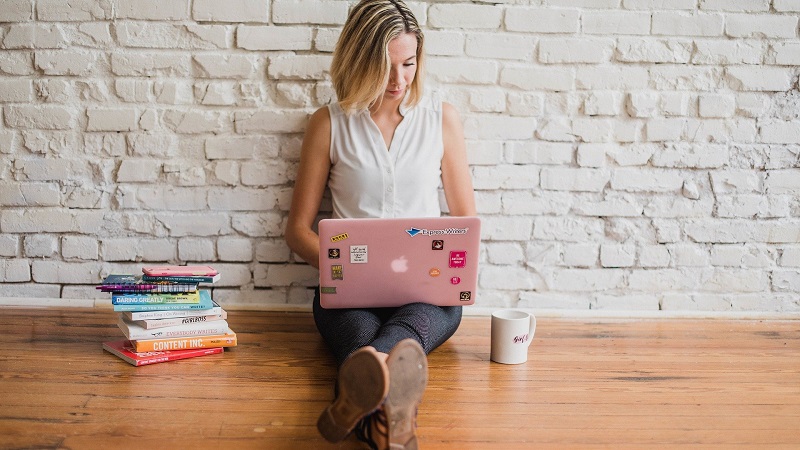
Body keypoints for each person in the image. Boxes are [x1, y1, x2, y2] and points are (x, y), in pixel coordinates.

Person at [284, 0, 476, 448]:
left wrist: (456, 266)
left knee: (374, 351)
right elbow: (297, 231)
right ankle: (395, 418)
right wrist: (342, 265)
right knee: (381, 344)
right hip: (348, 296)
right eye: (385, 66)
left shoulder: (440, 118)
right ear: (359, 59)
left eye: (408, 64)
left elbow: (465, 223)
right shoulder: (328, 124)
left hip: (427, 297)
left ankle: (360, 402)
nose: (399, 80)